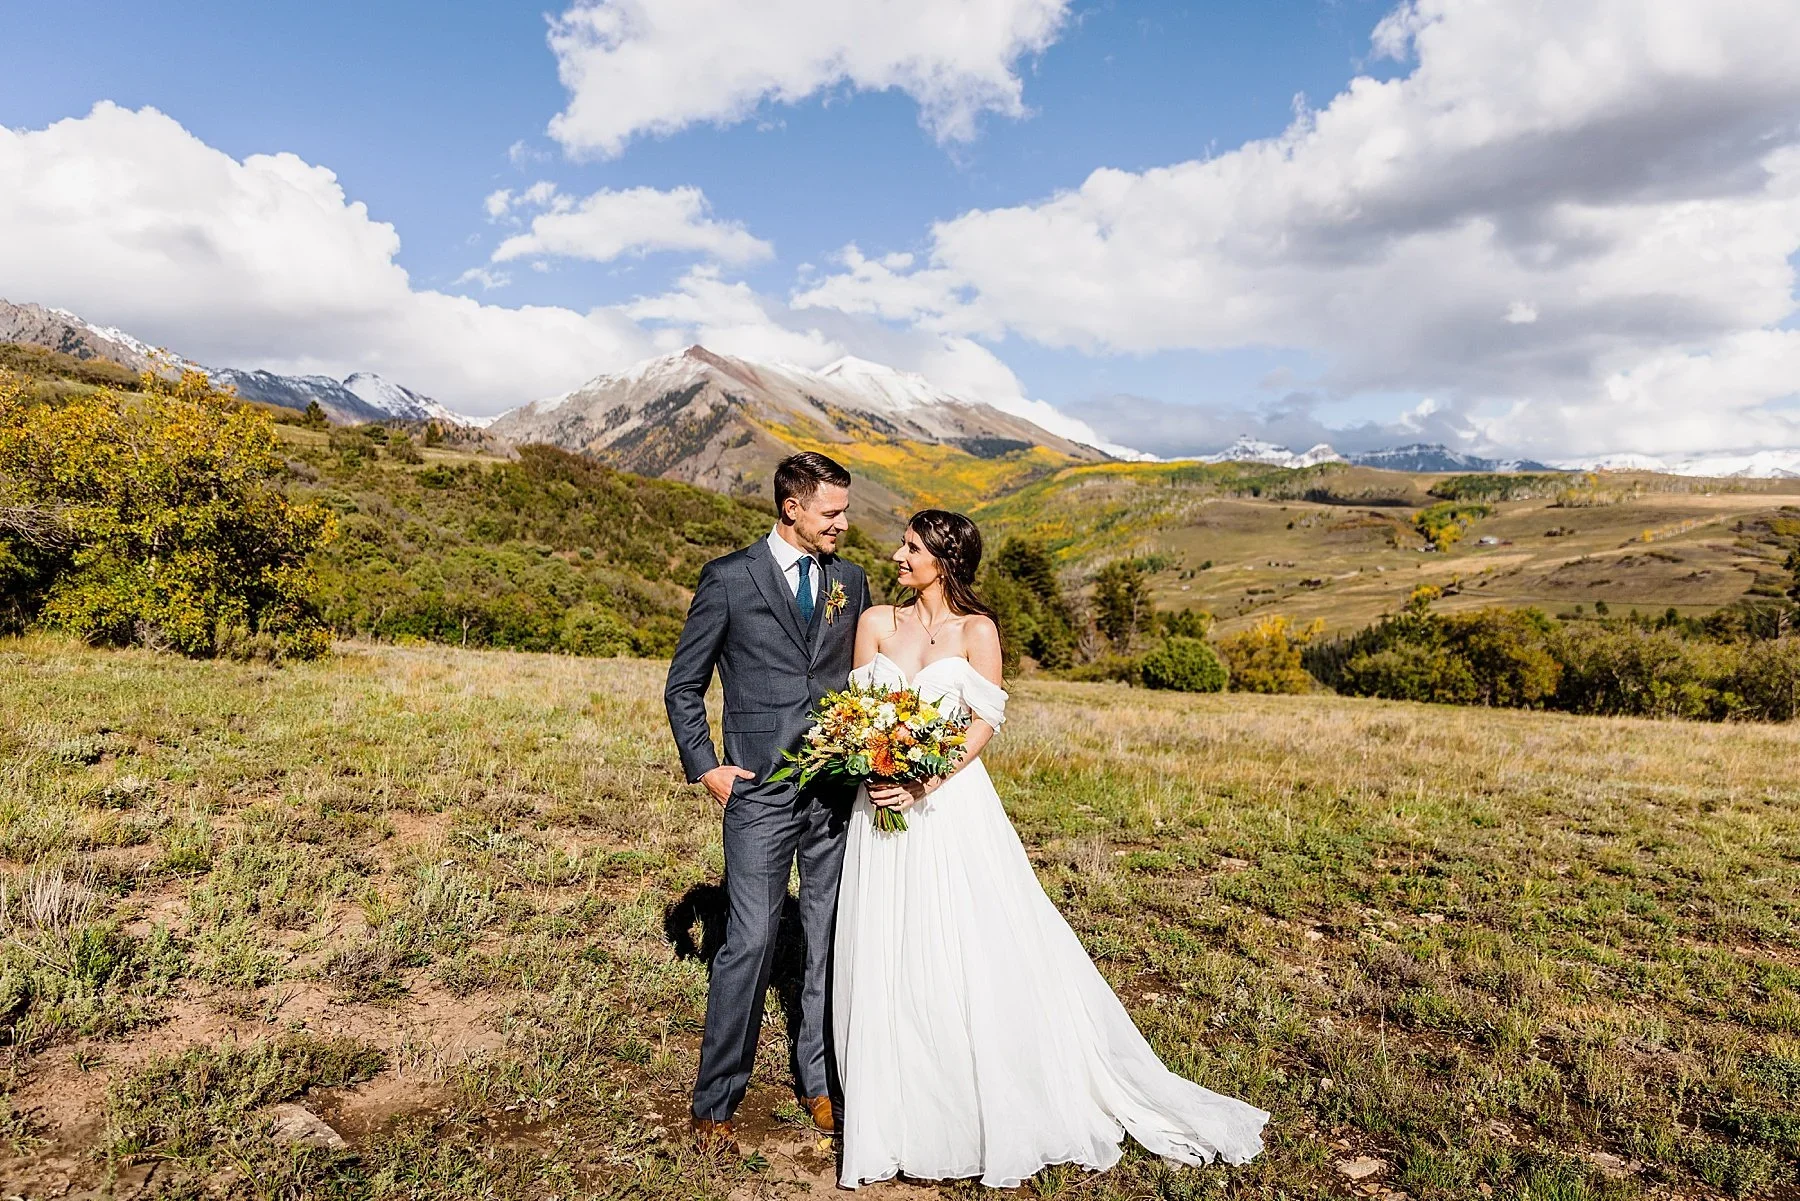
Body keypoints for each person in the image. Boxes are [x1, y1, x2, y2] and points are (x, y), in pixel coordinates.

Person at [834, 509, 1268, 1189]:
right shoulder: (877, 623)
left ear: (944, 560)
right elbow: (855, 715)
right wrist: (875, 770)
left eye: (910, 547)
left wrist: (924, 782)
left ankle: (981, 1099)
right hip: (879, 805)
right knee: (888, 947)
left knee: (967, 948)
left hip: (948, 807)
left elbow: (983, 721)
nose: (896, 555)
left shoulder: (978, 631)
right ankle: (896, 1112)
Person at [664, 451, 872, 1152]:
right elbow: (683, 685)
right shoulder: (728, 578)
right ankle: (716, 1096)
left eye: (844, 510)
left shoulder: (851, 580)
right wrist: (708, 768)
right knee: (748, 940)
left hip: (835, 790)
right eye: (833, 511)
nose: (844, 523)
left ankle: (819, 1080)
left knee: (824, 938)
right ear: (793, 508)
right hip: (757, 788)